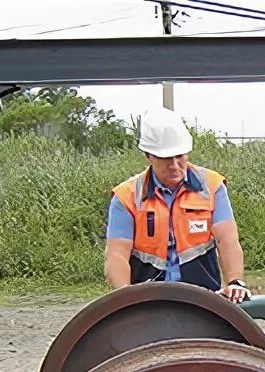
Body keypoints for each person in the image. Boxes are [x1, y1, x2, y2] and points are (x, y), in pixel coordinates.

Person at [104, 107, 250, 303]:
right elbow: (116, 255)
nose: (174, 165)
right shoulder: (126, 197)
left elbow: (227, 240)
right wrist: (125, 299)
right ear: (148, 155)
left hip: (204, 298)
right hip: (148, 301)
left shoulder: (212, 186)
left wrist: (235, 282)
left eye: (179, 156)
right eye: (166, 158)